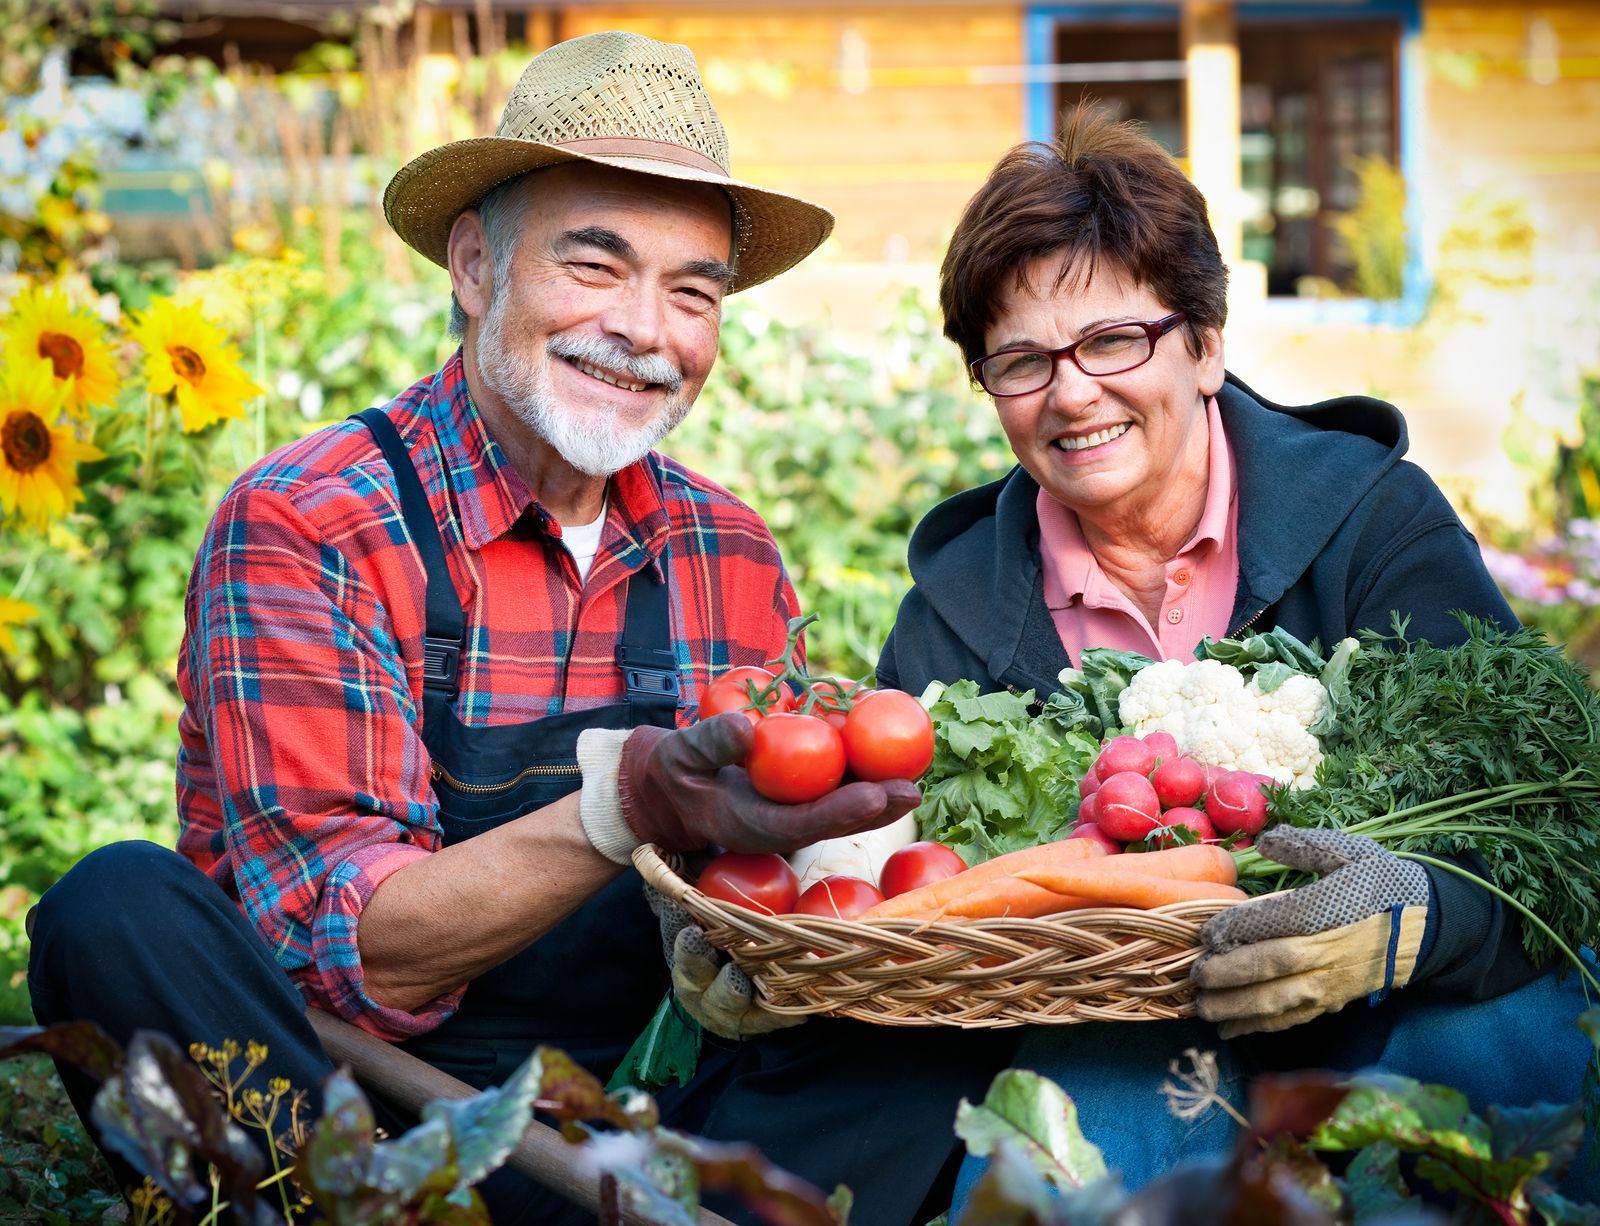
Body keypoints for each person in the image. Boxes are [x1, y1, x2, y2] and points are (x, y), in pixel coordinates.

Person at [27, 32, 1014, 1226]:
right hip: (362, 1119)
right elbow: (355, 956)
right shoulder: (313, 519)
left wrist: (785, 925)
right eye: (595, 265)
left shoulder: (728, 549)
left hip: (642, 1121)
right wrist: (628, 802)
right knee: (112, 911)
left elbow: (758, 896)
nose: (646, 329)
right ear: (473, 263)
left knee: (931, 1041)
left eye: (692, 292)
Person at [871, 105, 1597, 1203]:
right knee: (1063, 1154)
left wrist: (1413, 918)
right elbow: (893, 883)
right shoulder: (949, 615)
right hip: (1118, 1032)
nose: (1071, 392)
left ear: (1205, 345)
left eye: (1112, 341)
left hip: (1388, 1004)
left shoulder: (1374, 521)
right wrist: (783, 943)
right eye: (1020, 361)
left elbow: (1553, 824)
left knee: (1504, 1049)